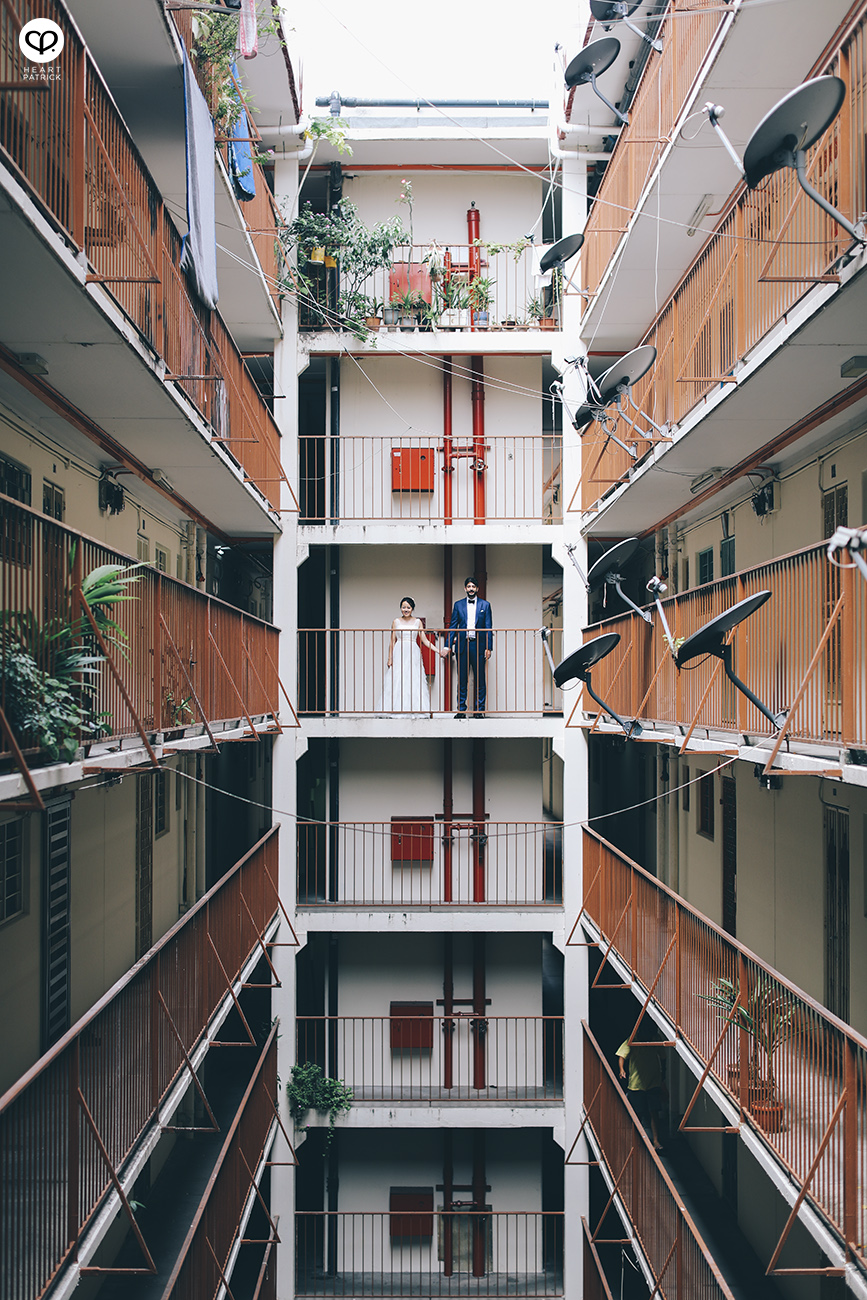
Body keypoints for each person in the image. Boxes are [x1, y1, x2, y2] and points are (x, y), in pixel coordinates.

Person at [377, 597, 448, 715]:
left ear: (412, 609)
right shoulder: (396, 621)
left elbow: (424, 640)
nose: (406, 609)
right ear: (400, 608)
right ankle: (395, 708)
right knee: (398, 678)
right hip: (399, 651)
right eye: (404, 607)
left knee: (413, 678)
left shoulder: (417, 622)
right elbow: (392, 641)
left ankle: (414, 708)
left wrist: (438, 650)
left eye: (408, 607)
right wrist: (389, 658)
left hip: (412, 651)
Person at [448, 578, 493, 719]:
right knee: (462, 679)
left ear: (477, 589)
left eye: (473, 586)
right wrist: (447, 646)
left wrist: (488, 647)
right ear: (465, 589)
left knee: (480, 679)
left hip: (478, 646)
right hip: (462, 645)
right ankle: (461, 710)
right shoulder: (458, 605)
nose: (471, 588)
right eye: (469, 586)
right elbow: (452, 627)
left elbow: (488, 628)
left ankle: (479, 711)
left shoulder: (485, 605)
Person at [616, 1035, 666, 1151]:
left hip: (653, 1082)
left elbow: (663, 1057)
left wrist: (663, 1074)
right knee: (637, 1114)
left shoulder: (655, 1038)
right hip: (636, 1084)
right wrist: (621, 1069)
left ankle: (656, 1141)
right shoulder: (633, 1038)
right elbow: (621, 1055)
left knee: (654, 1112)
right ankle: (635, 1141)